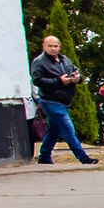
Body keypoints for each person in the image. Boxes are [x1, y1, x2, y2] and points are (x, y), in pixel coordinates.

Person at [31, 33, 94, 166]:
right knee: (67, 129)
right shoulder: (39, 62)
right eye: (50, 46)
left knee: (54, 130)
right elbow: (37, 80)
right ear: (44, 46)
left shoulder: (65, 59)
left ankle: (44, 156)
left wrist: (78, 78)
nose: (53, 48)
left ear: (59, 46)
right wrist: (59, 81)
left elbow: (76, 71)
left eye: (55, 46)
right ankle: (83, 158)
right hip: (50, 100)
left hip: (64, 101)